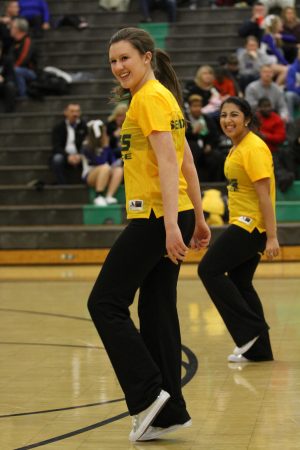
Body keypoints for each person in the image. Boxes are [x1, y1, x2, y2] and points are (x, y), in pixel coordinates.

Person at [87, 27, 211, 442]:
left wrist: (176, 225)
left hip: (158, 218)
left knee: (104, 303)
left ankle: (146, 395)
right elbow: (187, 163)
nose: (118, 67)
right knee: (157, 311)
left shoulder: (149, 99)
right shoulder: (162, 98)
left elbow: (170, 163)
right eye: (113, 61)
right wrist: (199, 217)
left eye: (125, 58)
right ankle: (168, 412)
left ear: (146, 57)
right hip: (174, 214)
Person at [198, 96, 279, 364]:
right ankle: (260, 351)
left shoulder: (253, 148)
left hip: (252, 224)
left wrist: (272, 237)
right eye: (223, 115)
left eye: (234, 115)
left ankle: (249, 333)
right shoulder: (237, 147)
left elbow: (265, 195)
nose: (227, 120)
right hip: (243, 222)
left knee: (208, 269)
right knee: (240, 282)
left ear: (246, 119)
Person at [81, 119, 124, 206]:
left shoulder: (104, 145)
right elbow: (100, 162)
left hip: (105, 171)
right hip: (90, 174)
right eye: (104, 132)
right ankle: (98, 196)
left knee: (119, 170)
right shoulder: (86, 146)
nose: (106, 134)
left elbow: (112, 161)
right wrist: (105, 147)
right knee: (105, 167)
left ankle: (109, 196)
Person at [185, 94, 223, 182]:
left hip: (206, 149)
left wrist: (209, 145)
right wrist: (193, 133)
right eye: (194, 106)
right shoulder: (185, 119)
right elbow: (183, 136)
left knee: (217, 156)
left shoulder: (206, 118)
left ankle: (216, 184)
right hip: (192, 149)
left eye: (199, 106)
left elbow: (215, 135)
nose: (197, 108)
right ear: (189, 107)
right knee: (195, 150)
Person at [51, 103, 88, 184]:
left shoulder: (85, 126)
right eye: (72, 111)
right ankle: (62, 185)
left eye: (77, 111)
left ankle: (87, 183)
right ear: (66, 113)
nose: (75, 114)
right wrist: (68, 156)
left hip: (80, 154)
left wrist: (80, 155)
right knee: (57, 159)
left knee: (90, 157)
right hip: (64, 155)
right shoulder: (58, 127)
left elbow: (87, 143)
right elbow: (56, 146)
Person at [10, 17, 37, 97]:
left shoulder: (27, 41)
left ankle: (23, 96)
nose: (10, 29)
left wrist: (11, 68)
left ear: (17, 29)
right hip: (17, 68)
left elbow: (24, 58)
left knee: (16, 71)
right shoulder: (14, 42)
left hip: (30, 71)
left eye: (12, 27)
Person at [285, 48, 300, 120]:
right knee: (289, 94)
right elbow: (290, 87)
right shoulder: (292, 68)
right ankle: (290, 121)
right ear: (298, 56)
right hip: (297, 96)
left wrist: (297, 86)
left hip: (297, 91)